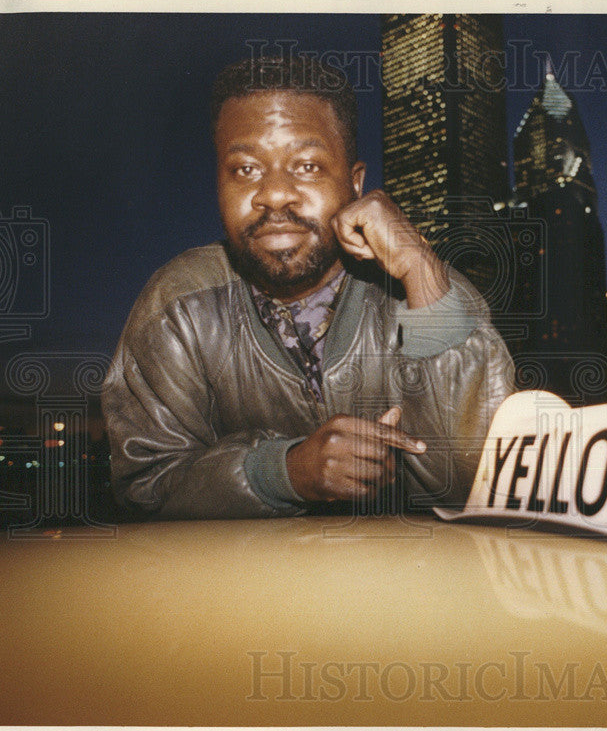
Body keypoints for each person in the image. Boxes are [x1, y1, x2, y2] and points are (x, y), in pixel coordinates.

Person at [102, 55, 515, 519]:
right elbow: (145, 490)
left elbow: (482, 479)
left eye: (307, 166)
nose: (275, 194)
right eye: (245, 170)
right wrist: (283, 471)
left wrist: (419, 267)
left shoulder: (421, 286)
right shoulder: (177, 307)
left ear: (356, 184)